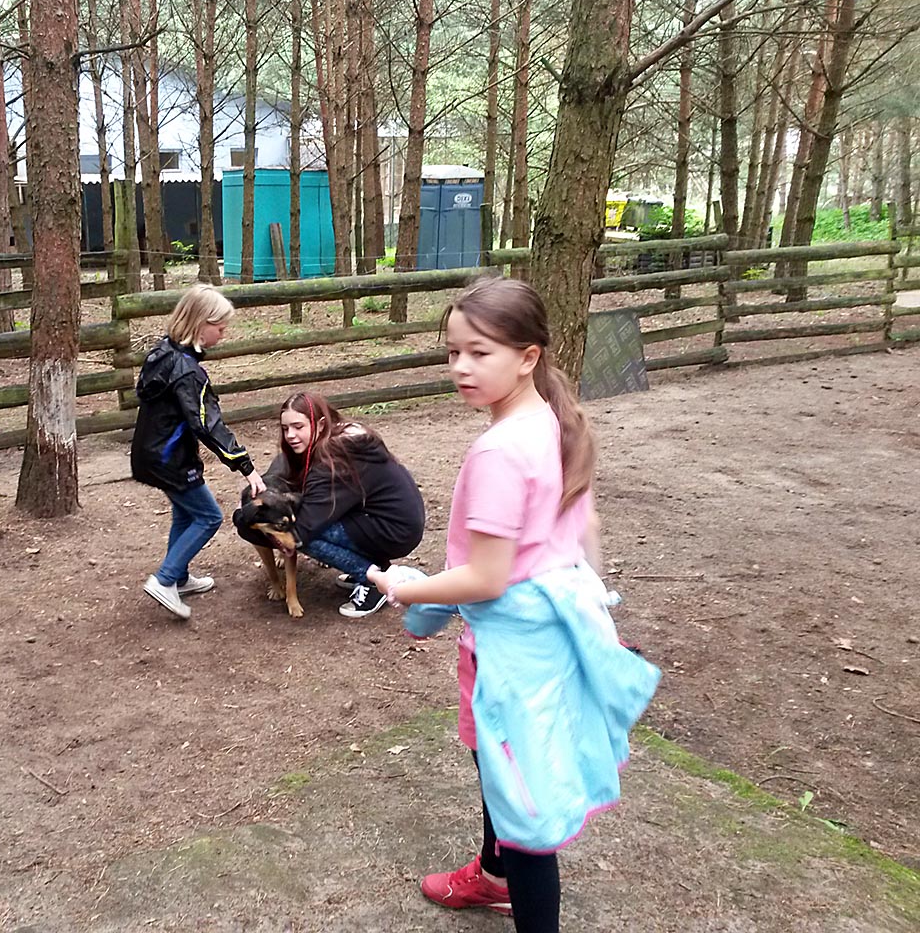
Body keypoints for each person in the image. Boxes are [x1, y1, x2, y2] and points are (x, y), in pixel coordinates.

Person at [366, 278, 660, 933]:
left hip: (511, 656)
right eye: (453, 352)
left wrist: (405, 588)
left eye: (480, 352)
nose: (461, 367)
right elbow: (585, 531)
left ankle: (511, 884)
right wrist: (591, 621)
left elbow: (487, 577)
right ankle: (492, 875)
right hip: (546, 642)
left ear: (528, 356)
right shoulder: (552, 420)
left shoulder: (499, 450)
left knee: (524, 812)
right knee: (503, 773)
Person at [131, 283, 267, 620]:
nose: (223, 335)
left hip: (151, 454)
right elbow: (208, 425)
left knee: (185, 513)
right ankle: (164, 581)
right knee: (209, 516)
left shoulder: (162, 352)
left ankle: (178, 577)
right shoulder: (188, 372)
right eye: (220, 328)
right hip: (170, 460)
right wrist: (245, 466)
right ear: (201, 324)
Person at [236, 391, 425, 618]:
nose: (290, 435)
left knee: (299, 536)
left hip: (393, 530)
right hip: (388, 520)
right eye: (285, 429)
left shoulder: (334, 459)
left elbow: (306, 526)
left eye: (298, 427)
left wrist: (247, 520)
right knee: (304, 527)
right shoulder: (339, 438)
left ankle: (374, 580)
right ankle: (369, 567)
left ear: (320, 424)